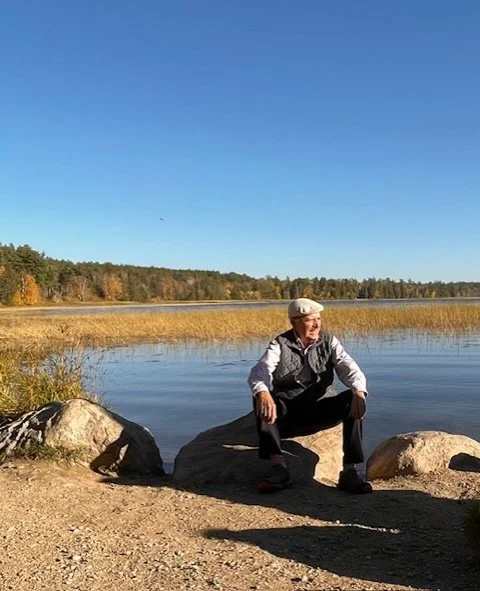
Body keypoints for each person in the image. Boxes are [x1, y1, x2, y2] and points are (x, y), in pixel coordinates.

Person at [248, 297, 373, 494]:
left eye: (318, 319)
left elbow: (350, 369)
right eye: (309, 320)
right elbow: (259, 372)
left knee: (353, 398)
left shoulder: (330, 342)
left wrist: (359, 391)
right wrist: (263, 392)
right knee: (260, 397)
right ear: (294, 322)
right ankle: (278, 468)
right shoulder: (279, 344)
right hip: (289, 414)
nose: (316, 324)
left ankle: (349, 472)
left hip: (320, 408)